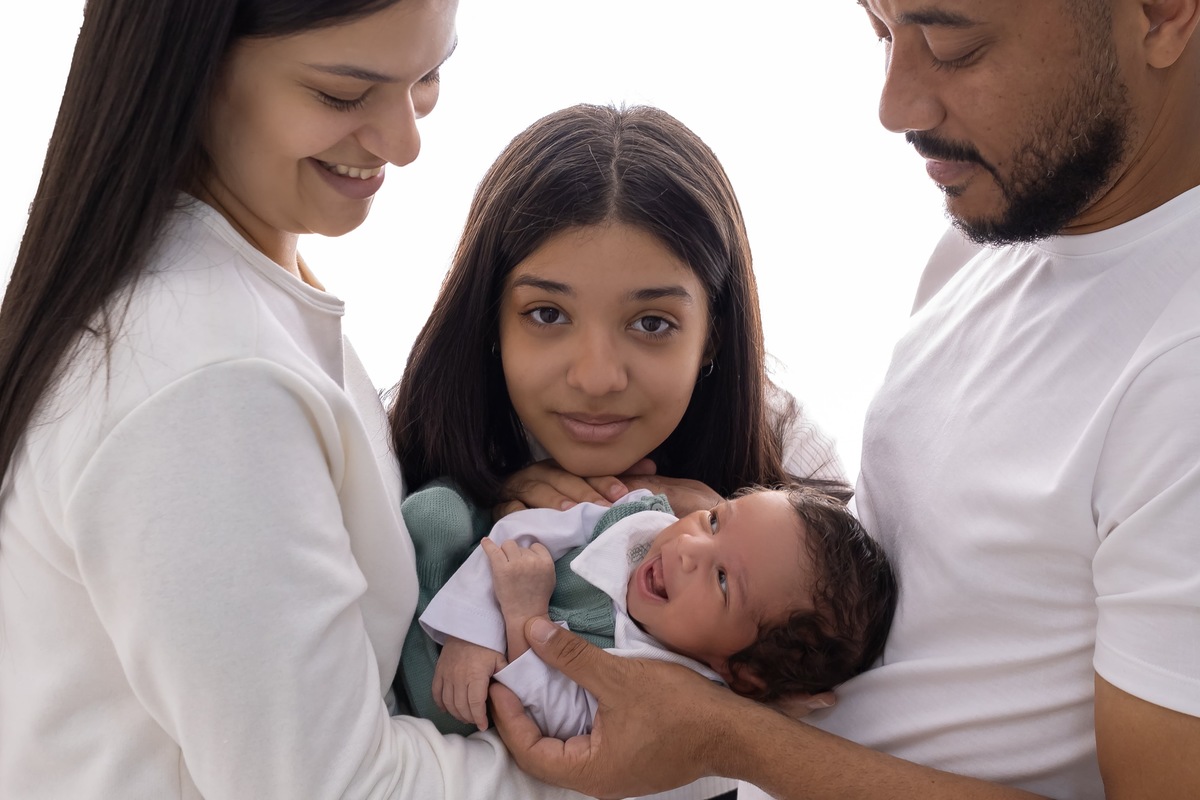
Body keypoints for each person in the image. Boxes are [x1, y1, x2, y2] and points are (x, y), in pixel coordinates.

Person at [486, 1, 1200, 798]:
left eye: (951, 43)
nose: (895, 105)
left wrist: (725, 738)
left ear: (1163, 12)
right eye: (883, 33)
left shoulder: (1181, 371)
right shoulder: (988, 240)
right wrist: (674, 515)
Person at [0, 2, 587, 798]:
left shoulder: (237, 296)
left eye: (430, 75)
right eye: (344, 96)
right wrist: (671, 756)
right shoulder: (207, 379)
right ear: (193, 72)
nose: (406, 142)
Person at [387, 102, 853, 799]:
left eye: (652, 322)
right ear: (490, 316)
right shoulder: (397, 440)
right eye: (547, 314)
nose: (597, 376)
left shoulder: (784, 453)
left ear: (714, 337)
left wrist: (727, 524)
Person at [400, 484, 894, 740]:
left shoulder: (659, 688)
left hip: (446, 694)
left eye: (722, 580)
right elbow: (520, 536)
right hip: (456, 590)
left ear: (742, 673)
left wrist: (522, 616)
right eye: (715, 520)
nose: (688, 548)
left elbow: (552, 719)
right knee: (438, 512)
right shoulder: (637, 521)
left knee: (449, 712)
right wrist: (473, 635)